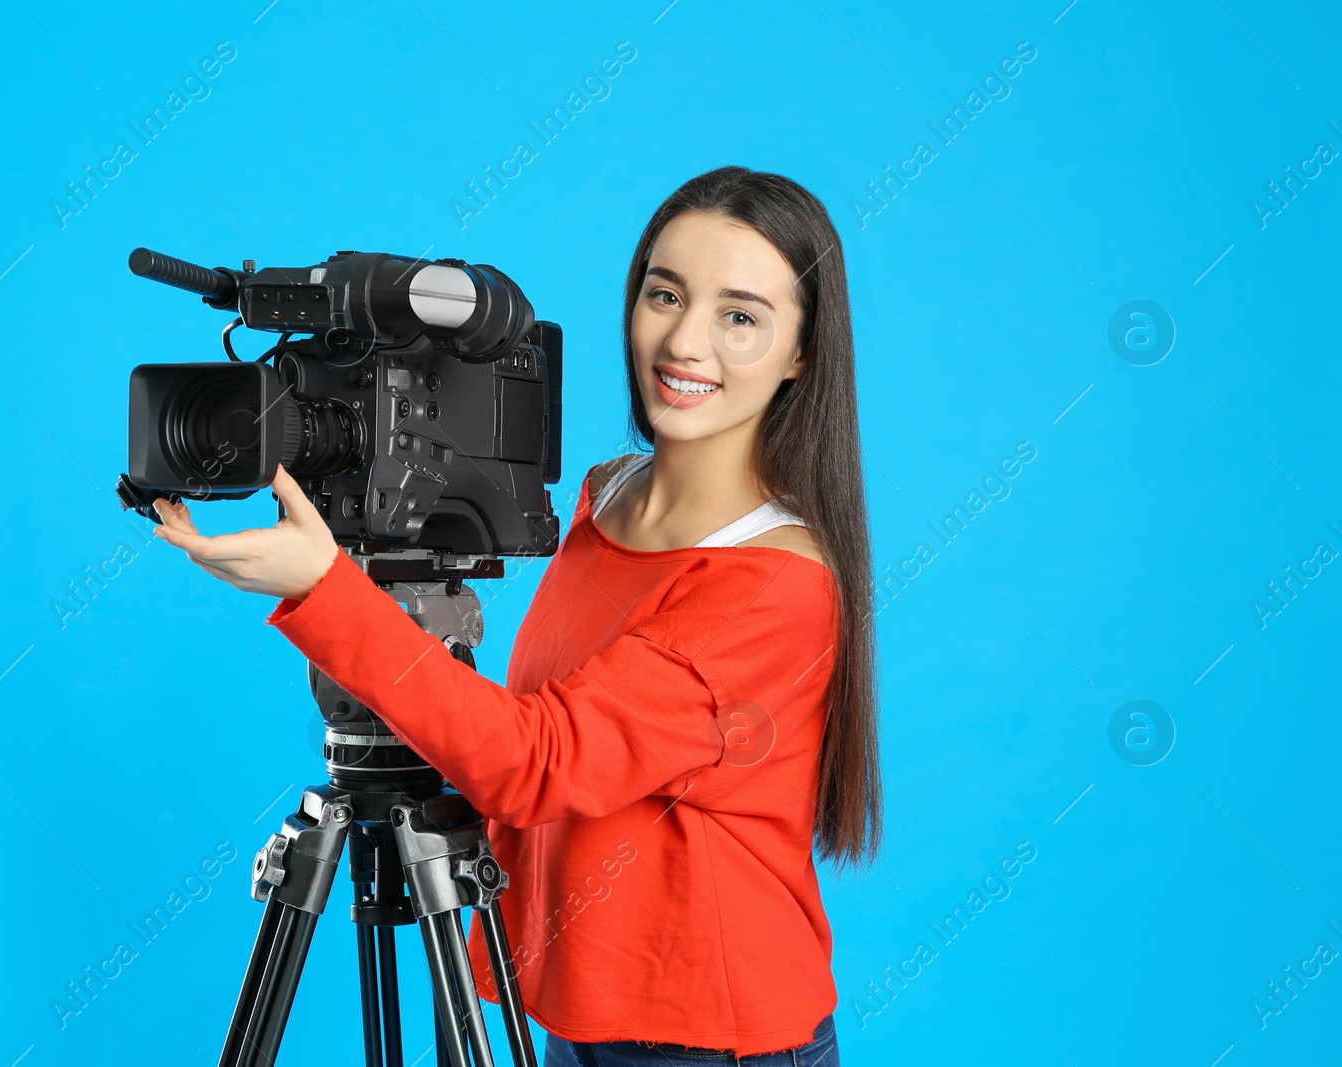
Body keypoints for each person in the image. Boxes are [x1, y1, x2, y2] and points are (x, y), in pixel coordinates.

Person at [151, 165, 880, 1066]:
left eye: (740, 315)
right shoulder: (610, 494)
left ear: (802, 350)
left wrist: (327, 590)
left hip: (707, 1033)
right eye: (664, 294)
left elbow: (539, 760)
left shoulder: (775, 585)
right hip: (575, 1005)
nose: (685, 341)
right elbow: (558, 741)